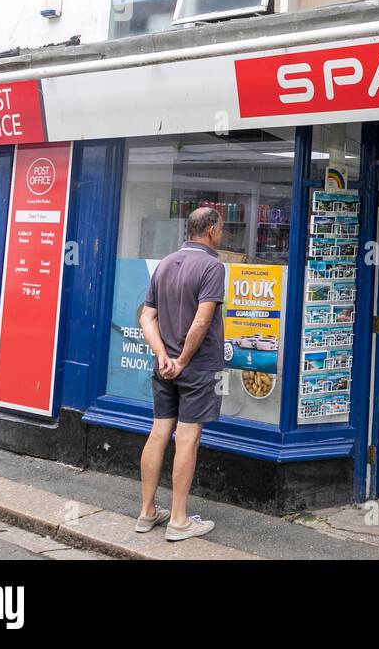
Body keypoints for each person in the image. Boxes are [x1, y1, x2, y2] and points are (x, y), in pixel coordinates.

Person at [136, 206, 227, 541]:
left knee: (159, 433)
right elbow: (202, 321)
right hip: (197, 368)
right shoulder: (212, 266)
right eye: (221, 229)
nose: (222, 234)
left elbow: (147, 318)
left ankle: (147, 512)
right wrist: (184, 360)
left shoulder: (164, 264)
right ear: (212, 230)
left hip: (165, 368)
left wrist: (164, 357)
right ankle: (178, 519)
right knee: (187, 438)